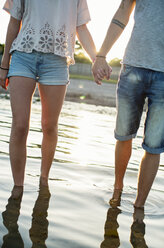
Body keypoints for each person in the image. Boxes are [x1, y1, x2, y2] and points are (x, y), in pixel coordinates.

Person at [0, 0, 96, 197]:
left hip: (57, 59)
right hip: (23, 54)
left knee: (49, 126)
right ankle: (18, 188)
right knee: (20, 125)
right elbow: (13, 22)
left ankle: (44, 181)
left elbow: (81, 27)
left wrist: (97, 59)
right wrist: (4, 63)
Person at [92, 0, 164, 208]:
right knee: (123, 135)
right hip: (133, 66)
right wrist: (101, 55)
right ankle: (117, 191)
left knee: (154, 146)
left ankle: (139, 206)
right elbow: (123, 10)